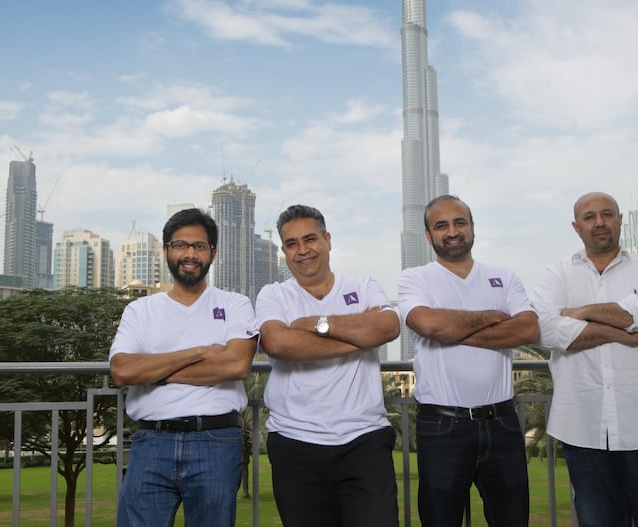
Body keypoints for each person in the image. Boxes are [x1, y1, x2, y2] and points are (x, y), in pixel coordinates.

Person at [531, 192, 638, 527]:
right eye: (590, 217)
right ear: (577, 226)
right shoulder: (556, 273)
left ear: (619, 220)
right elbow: (543, 329)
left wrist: (581, 312)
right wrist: (618, 330)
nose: (599, 222)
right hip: (583, 429)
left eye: (607, 214)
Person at [109, 208, 258, 527]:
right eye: (180, 245)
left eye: (199, 246)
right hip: (152, 441)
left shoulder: (235, 304)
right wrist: (201, 351)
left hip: (216, 441)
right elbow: (122, 371)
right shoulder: (139, 310)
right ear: (166, 251)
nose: (189, 254)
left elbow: (237, 364)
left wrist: (154, 372)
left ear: (212, 254)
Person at [398, 194, 539, 527]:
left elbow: (528, 329)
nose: (452, 231)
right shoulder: (416, 278)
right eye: (441, 225)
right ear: (428, 234)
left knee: (512, 519)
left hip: (502, 423)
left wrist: (452, 330)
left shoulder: (504, 276)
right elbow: (427, 324)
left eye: (459, 222)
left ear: (472, 227)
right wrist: (494, 316)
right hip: (443, 426)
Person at [255, 204, 400, 527]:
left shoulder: (362, 285)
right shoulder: (274, 294)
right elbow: (278, 344)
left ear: (328, 240)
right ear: (284, 251)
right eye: (292, 244)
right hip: (295, 441)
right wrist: (359, 336)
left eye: (310, 239)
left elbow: (388, 327)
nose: (302, 250)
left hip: (364, 439)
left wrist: (317, 324)